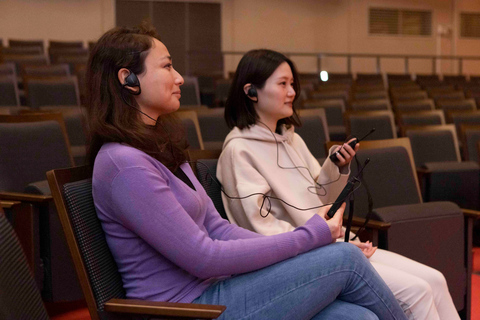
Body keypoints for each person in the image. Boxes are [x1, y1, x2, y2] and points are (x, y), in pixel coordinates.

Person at [85, 23, 408, 320]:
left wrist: (307, 243)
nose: (180, 77)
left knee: (359, 318)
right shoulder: (122, 163)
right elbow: (204, 256)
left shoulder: (159, 147)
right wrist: (309, 238)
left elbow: (218, 228)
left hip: (218, 292)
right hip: (187, 310)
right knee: (345, 260)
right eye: (167, 66)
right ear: (128, 78)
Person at [217, 49, 460, 320]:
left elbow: (322, 200)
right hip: (301, 260)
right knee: (419, 292)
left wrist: (337, 166)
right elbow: (259, 230)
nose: (292, 92)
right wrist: (328, 245)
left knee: (435, 280)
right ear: (251, 92)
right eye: (283, 84)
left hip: (330, 245)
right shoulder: (239, 151)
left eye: (292, 84)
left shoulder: (291, 139)